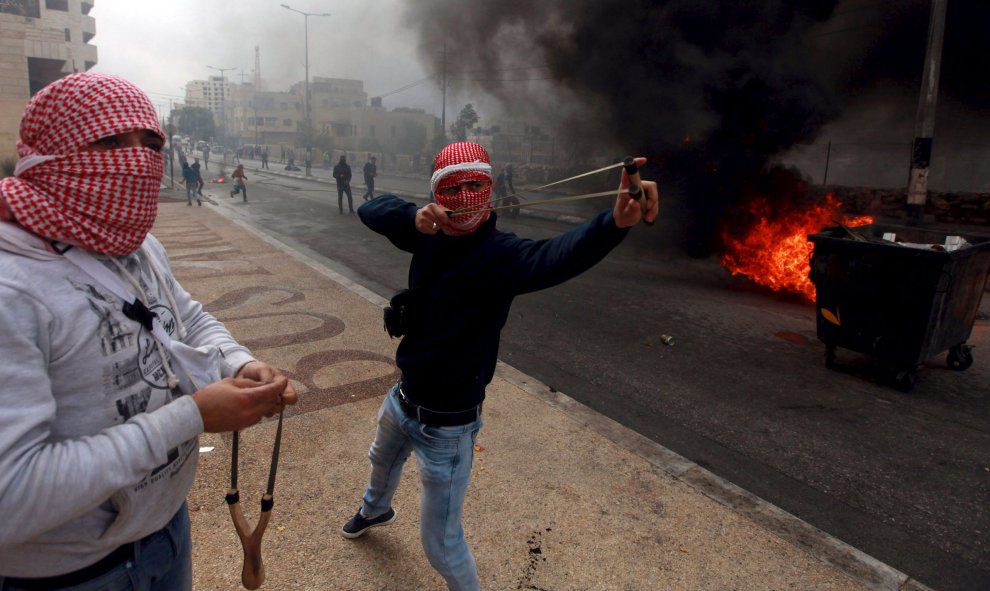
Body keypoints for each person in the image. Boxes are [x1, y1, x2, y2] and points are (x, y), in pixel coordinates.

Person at [0, 72, 296, 590]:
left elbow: (184, 315)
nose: (137, 159)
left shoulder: (131, 242)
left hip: (166, 531)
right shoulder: (12, 286)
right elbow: (11, 495)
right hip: (71, 573)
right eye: (110, 141)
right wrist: (192, 416)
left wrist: (239, 362)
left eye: (150, 142)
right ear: (49, 153)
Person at [345, 142, 658, 590]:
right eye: (454, 186)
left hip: (447, 428)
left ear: (489, 190)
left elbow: (556, 255)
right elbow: (370, 207)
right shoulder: (428, 231)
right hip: (403, 397)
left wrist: (614, 222)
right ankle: (375, 509)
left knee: (441, 544)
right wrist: (412, 216)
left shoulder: (500, 255)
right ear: (438, 192)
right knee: (380, 458)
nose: (466, 194)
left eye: (477, 184)